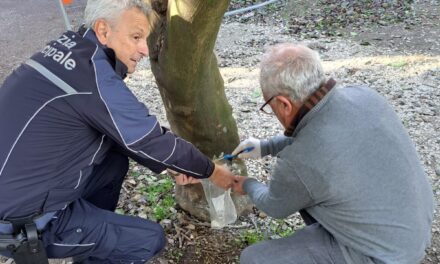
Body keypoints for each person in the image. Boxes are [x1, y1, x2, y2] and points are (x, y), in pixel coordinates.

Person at [0, 0, 235, 263]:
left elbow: (124, 132)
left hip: (15, 191)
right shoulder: (94, 79)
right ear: (103, 30)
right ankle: (74, 235)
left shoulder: (73, 50)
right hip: (21, 222)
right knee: (148, 240)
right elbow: (149, 139)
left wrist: (171, 164)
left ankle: (89, 241)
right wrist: (211, 171)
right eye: (136, 37)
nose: (144, 49)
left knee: (113, 160)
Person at [232, 43, 434, 264]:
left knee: (253, 259)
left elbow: (274, 205)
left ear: (284, 104)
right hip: (413, 232)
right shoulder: (364, 96)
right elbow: (321, 139)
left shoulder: (300, 162)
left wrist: (246, 184)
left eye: (269, 106)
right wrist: (266, 146)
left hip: (381, 256)